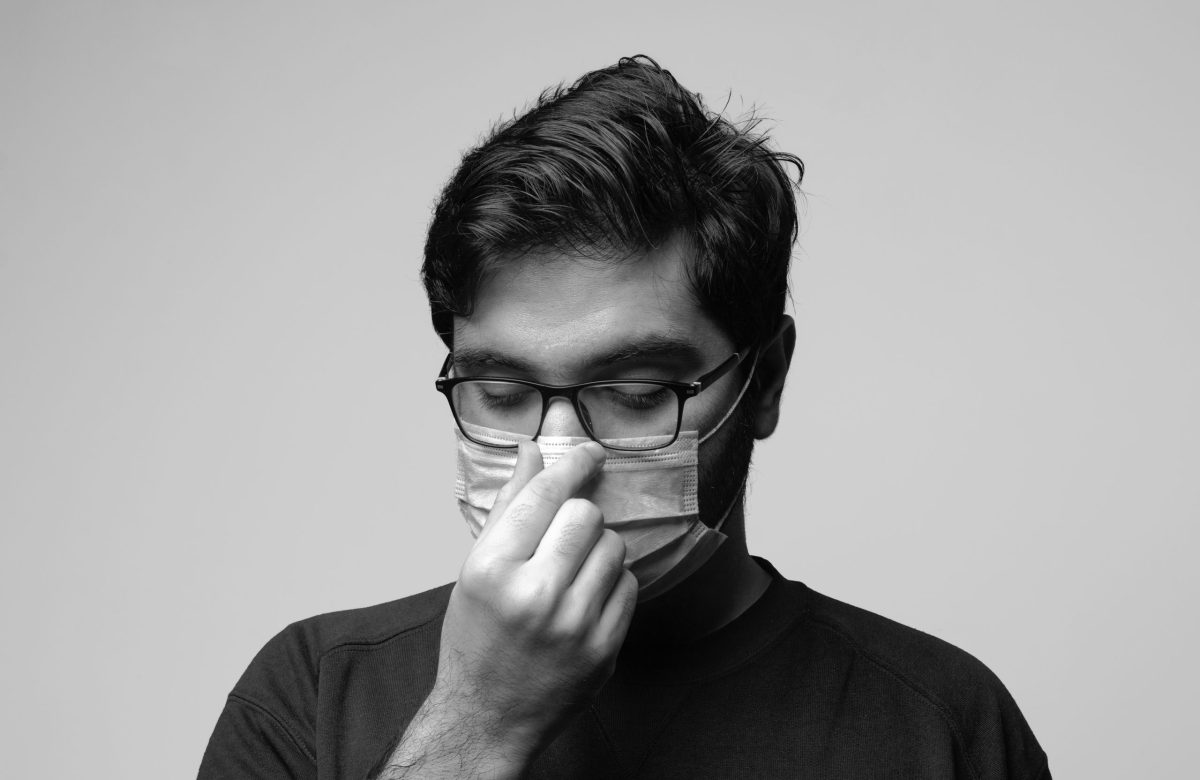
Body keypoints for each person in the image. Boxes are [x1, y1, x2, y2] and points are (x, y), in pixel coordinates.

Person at [199, 56, 1051, 779]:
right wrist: (479, 722)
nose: (561, 458)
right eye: (501, 391)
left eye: (636, 392)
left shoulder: (941, 723)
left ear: (764, 381)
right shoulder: (311, 695)